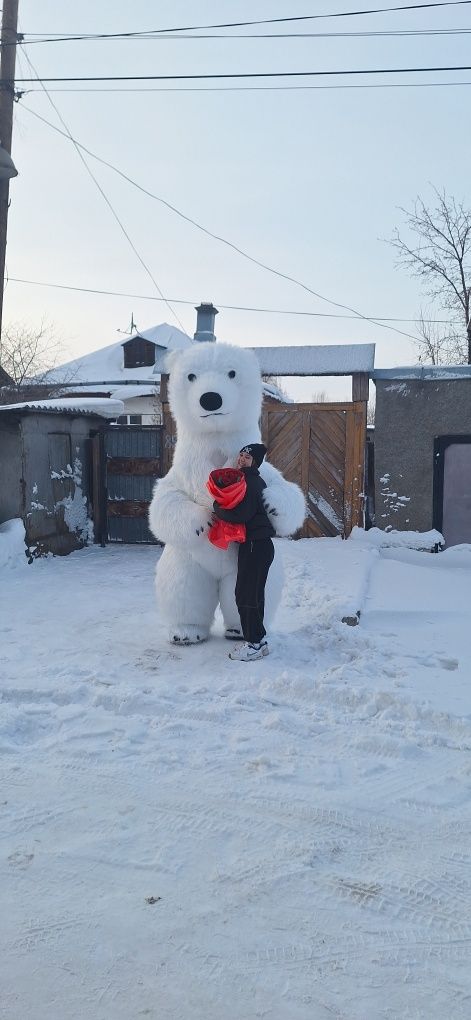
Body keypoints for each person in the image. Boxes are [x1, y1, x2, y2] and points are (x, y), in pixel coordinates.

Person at [212, 443, 275, 661]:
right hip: (260, 545)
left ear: (255, 462)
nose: (241, 460)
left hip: (255, 545)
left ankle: (253, 643)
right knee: (255, 594)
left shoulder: (250, 482)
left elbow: (241, 515)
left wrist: (217, 507)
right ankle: (260, 640)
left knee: (245, 595)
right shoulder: (251, 480)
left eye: (247, 458)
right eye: (240, 455)